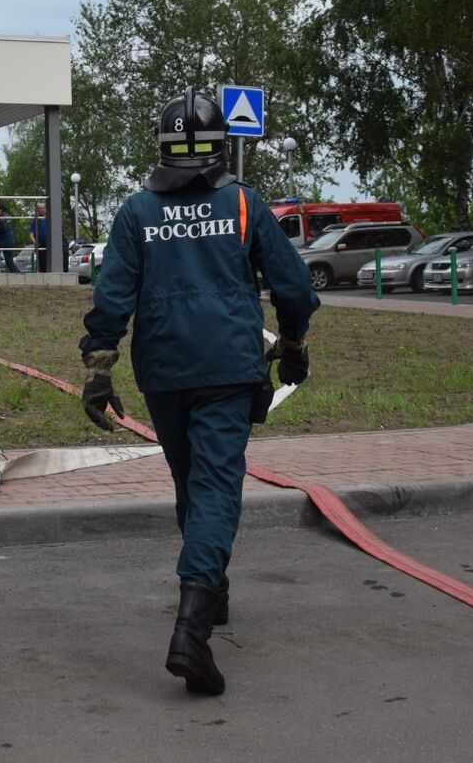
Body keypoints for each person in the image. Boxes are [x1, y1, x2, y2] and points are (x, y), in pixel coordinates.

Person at [80, 88, 319, 697]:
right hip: (229, 368)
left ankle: (213, 592)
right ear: (219, 148)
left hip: (164, 373)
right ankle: (192, 631)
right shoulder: (242, 204)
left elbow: (112, 296)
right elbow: (292, 286)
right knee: (215, 489)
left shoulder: (137, 212)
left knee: (193, 483)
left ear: (163, 149)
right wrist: (292, 346)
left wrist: (99, 369)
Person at [29, 201, 51, 274]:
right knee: (42, 262)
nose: (41, 210)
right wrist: (35, 242)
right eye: (40, 208)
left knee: (50, 261)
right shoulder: (35, 220)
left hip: (49, 243)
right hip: (40, 244)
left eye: (43, 208)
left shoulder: (50, 219)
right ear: (37, 210)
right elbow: (31, 234)